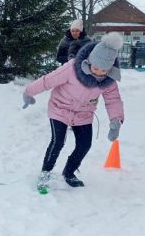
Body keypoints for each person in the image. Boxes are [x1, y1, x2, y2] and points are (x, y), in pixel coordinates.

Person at [22, 32, 125, 190]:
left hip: (84, 114)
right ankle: (45, 172)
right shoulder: (72, 68)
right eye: (95, 68)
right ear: (89, 60)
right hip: (60, 108)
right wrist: (29, 92)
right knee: (57, 142)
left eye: (103, 70)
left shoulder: (108, 80)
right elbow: (48, 81)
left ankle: (69, 172)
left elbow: (113, 100)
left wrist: (116, 121)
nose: (98, 73)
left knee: (84, 144)